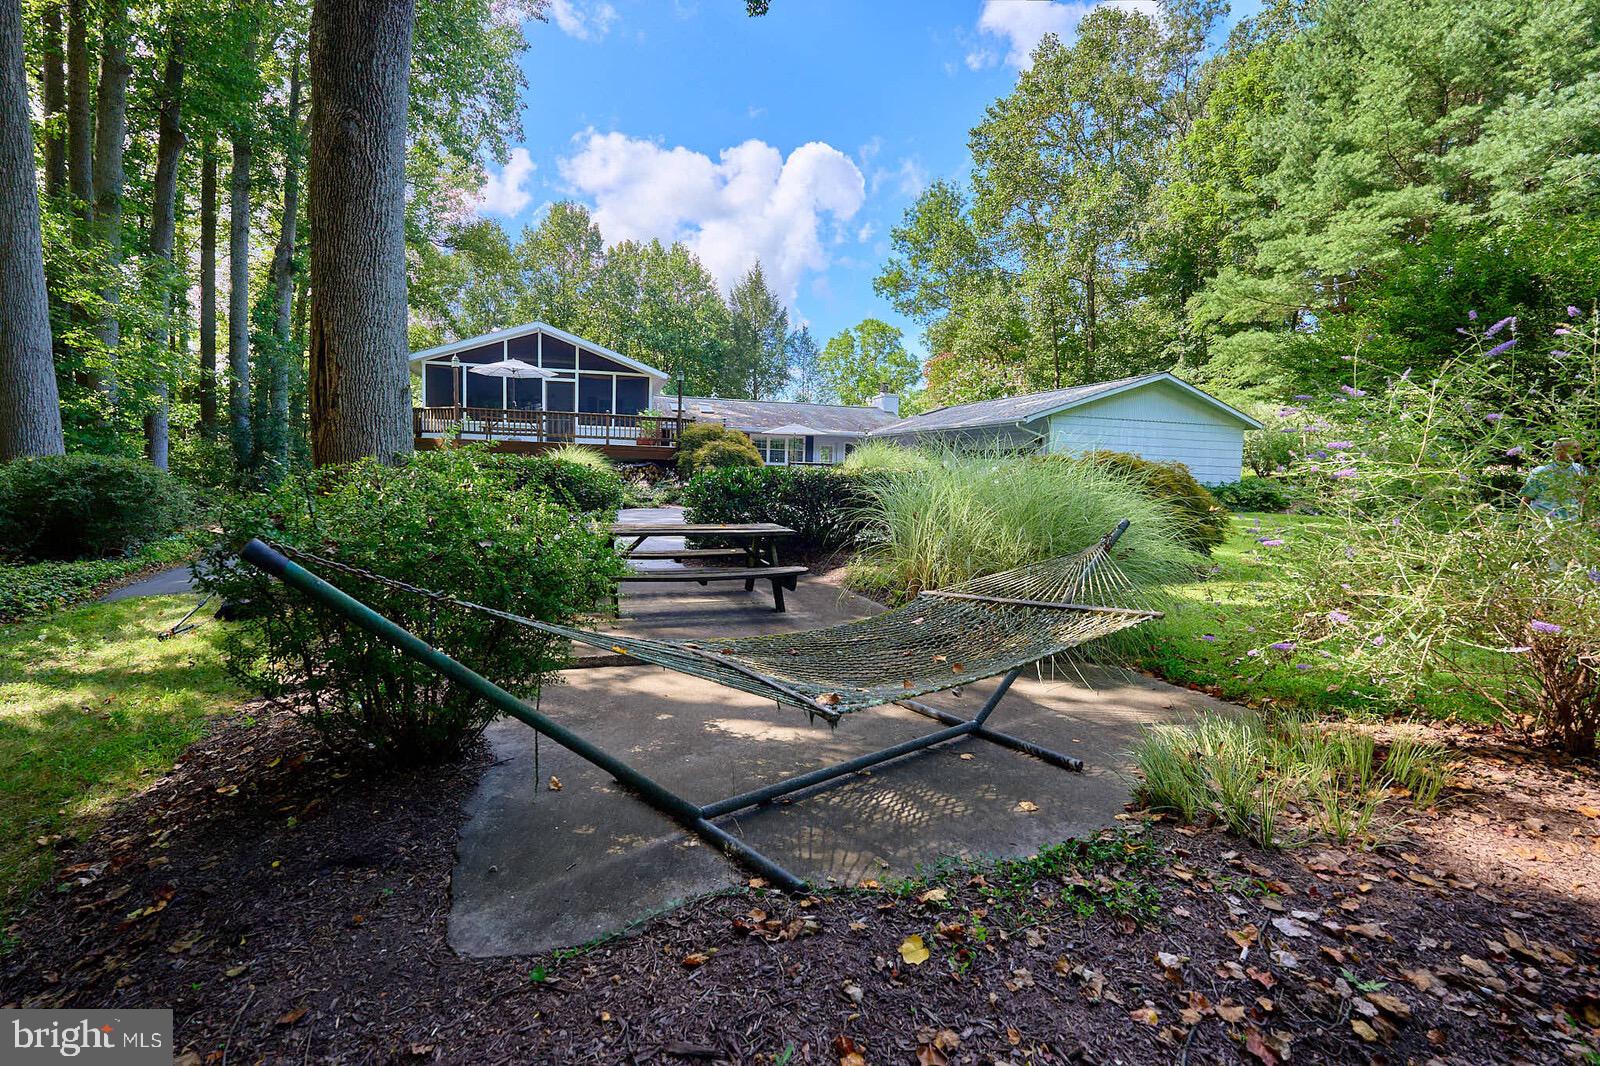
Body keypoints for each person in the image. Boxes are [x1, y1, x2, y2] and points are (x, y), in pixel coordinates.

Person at [1519, 439, 1588, 520]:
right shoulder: (1540, 472)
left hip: (1573, 521)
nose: (1578, 451)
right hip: (1545, 522)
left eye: (1578, 447)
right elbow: (1527, 498)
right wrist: (1521, 521)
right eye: (1574, 448)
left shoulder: (1580, 470)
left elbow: (1583, 497)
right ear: (1558, 451)